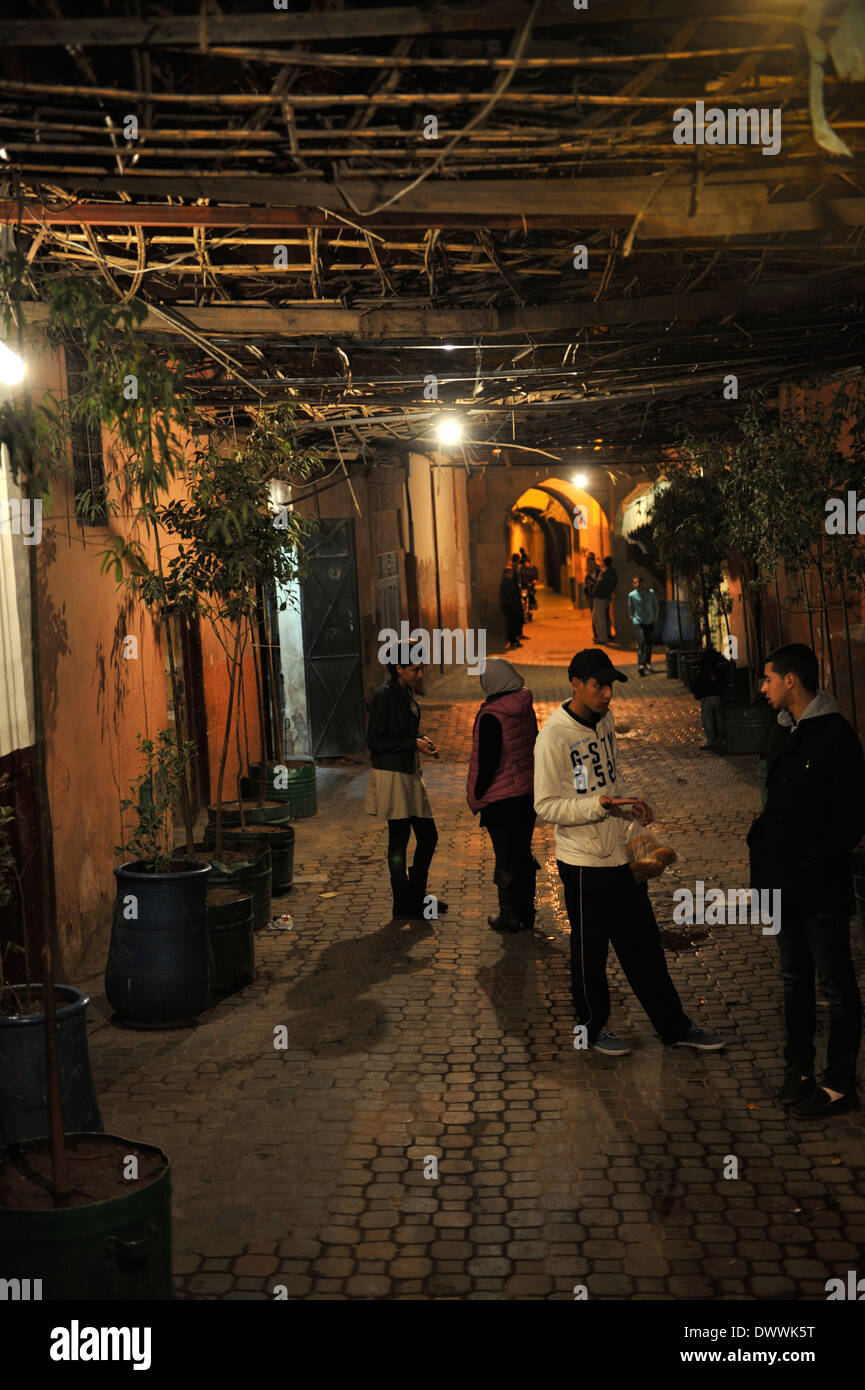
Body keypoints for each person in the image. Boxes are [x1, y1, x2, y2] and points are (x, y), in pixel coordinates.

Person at [534, 647, 725, 1056]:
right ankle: (591, 1028)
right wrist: (596, 806)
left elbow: (611, 779)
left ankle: (674, 1028)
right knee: (590, 953)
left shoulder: (606, 722)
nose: (607, 694)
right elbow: (545, 805)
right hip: (583, 864)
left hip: (621, 858)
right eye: (598, 686)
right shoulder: (553, 736)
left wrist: (628, 806)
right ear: (576, 685)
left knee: (644, 948)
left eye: (610, 686)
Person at [747, 643, 865, 1119]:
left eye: (769, 679)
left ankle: (839, 1083)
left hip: (820, 885)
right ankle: (798, 1068)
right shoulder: (781, 732)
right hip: (781, 882)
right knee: (794, 979)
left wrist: (819, 858)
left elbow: (854, 813)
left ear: (792, 680)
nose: (762, 687)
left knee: (836, 983)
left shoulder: (835, 735)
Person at [365, 659, 448, 920]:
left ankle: (414, 897)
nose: (420, 674)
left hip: (408, 771)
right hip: (391, 774)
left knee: (427, 836)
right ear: (398, 668)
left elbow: (405, 730)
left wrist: (421, 739)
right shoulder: (383, 696)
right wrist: (412, 742)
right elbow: (375, 742)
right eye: (415, 669)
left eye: (421, 668)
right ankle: (405, 902)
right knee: (400, 840)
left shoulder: (405, 691)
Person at [467, 658, 539, 933]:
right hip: (526, 796)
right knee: (522, 854)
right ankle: (527, 913)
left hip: (500, 800)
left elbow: (488, 763)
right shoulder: (524, 707)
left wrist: (477, 794)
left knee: (505, 858)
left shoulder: (491, 716)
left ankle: (508, 916)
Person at [691, 643, 732, 750]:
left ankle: (711, 740)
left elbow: (695, 684)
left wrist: (697, 694)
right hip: (717, 697)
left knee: (707, 719)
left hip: (706, 698)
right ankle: (721, 739)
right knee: (719, 719)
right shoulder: (718, 667)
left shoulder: (702, 669)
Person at [627, 575, 659, 675]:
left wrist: (655, 617)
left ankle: (647, 663)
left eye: (638, 582)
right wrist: (633, 619)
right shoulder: (632, 595)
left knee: (649, 643)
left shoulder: (650, 593)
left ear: (642, 583)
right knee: (641, 642)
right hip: (639, 621)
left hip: (649, 620)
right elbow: (631, 608)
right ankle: (641, 664)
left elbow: (655, 605)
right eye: (635, 583)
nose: (637, 584)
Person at [591, 555, 617, 643]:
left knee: (598, 617)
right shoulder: (613, 572)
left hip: (600, 597)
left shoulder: (604, 572)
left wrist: (593, 592)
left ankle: (602, 637)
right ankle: (605, 635)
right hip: (606, 596)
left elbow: (599, 583)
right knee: (604, 617)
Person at [499, 565, 524, 650]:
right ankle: (512, 640)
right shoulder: (506, 583)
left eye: (511, 573)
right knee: (511, 624)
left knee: (512, 624)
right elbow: (508, 596)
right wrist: (512, 606)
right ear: (505, 574)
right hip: (509, 606)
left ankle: (513, 640)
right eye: (509, 573)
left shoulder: (509, 582)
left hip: (510, 606)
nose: (511, 575)